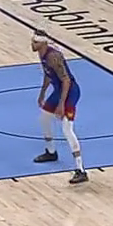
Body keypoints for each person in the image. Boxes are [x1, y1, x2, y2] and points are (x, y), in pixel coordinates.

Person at [31, 29, 86, 184]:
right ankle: (51, 152)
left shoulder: (53, 57)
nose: (32, 44)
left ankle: (81, 170)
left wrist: (61, 104)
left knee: (67, 129)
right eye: (32, 41)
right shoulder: (42, 54)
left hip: (70, 91)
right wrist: (42, 92)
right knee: (44, 118)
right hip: (59, 90)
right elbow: (48, 74)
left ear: (43, 43)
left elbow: (66, 80)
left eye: (35, 42)